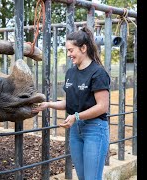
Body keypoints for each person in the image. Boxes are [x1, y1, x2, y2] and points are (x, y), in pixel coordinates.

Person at [32, 26, 110, 180]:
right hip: (76, 130)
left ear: (83, 48)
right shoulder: (71, 72)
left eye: (71, 50)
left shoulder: (98, 73)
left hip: (95, 129)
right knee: (82, 177)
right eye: (67, 51)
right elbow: (70, 103)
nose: (68, 54)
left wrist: (76, 117)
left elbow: (102, 107)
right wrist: (48, 105)